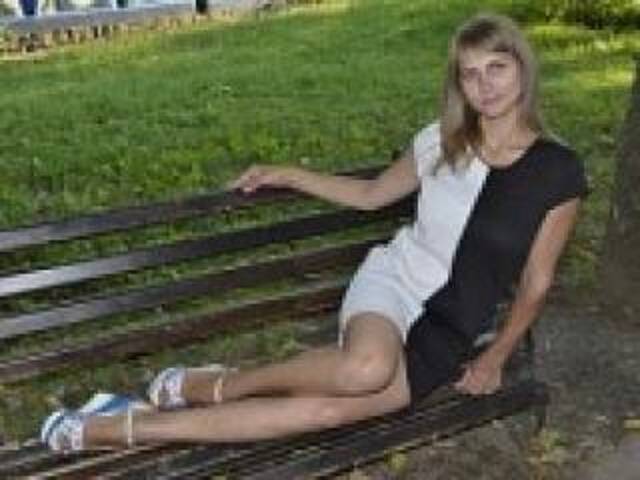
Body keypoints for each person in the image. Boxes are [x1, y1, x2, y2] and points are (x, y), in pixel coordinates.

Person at [41, 12, 588, 452]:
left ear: (522, 69)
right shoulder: (440, 140)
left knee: (325, 412)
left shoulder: (556, 171)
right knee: (366, 369)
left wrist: (495, 357)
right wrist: (289, 174)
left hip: (449, 326)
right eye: (470, 73)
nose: (484, 85)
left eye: (496, 67)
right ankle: (210, 388)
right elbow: (371, 195)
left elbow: (537, 281)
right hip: (393, 285)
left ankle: (130, 422)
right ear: (459, 85)